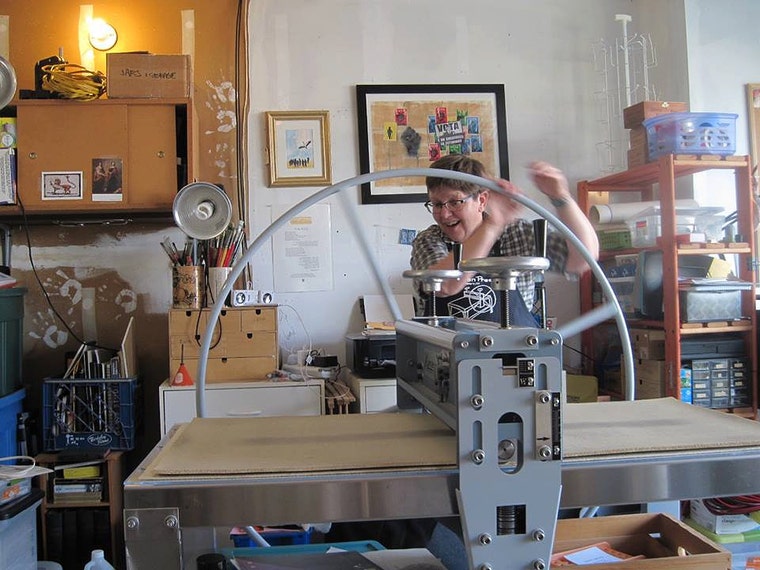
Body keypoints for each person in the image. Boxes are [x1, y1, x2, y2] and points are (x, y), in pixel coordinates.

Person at [410, 154, 599, 326]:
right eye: (437, 204)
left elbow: (583, 260)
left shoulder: (517, 233)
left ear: (481, 201)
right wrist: (493, 224)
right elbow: (443, 285)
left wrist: (560, 197)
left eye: (454, 202)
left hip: (518, 350)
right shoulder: (429, 240)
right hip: (445, 351)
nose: (444, 214)